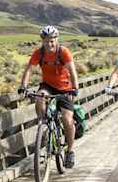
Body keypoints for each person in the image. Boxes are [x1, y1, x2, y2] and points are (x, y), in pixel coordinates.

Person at [18, 25, 80, 168]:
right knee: (40, 97)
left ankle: (70, 151)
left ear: (56, 39)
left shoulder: (63, 52)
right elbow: (29, 70)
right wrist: (24, 86)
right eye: (46, 41)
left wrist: (75, 89)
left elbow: (73, 71)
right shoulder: (38, 53)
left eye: (52, 41)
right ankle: (43, 123)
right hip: (48, 85)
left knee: (67, 119)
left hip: (66, 88)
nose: (49, 44)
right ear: (42, 41)